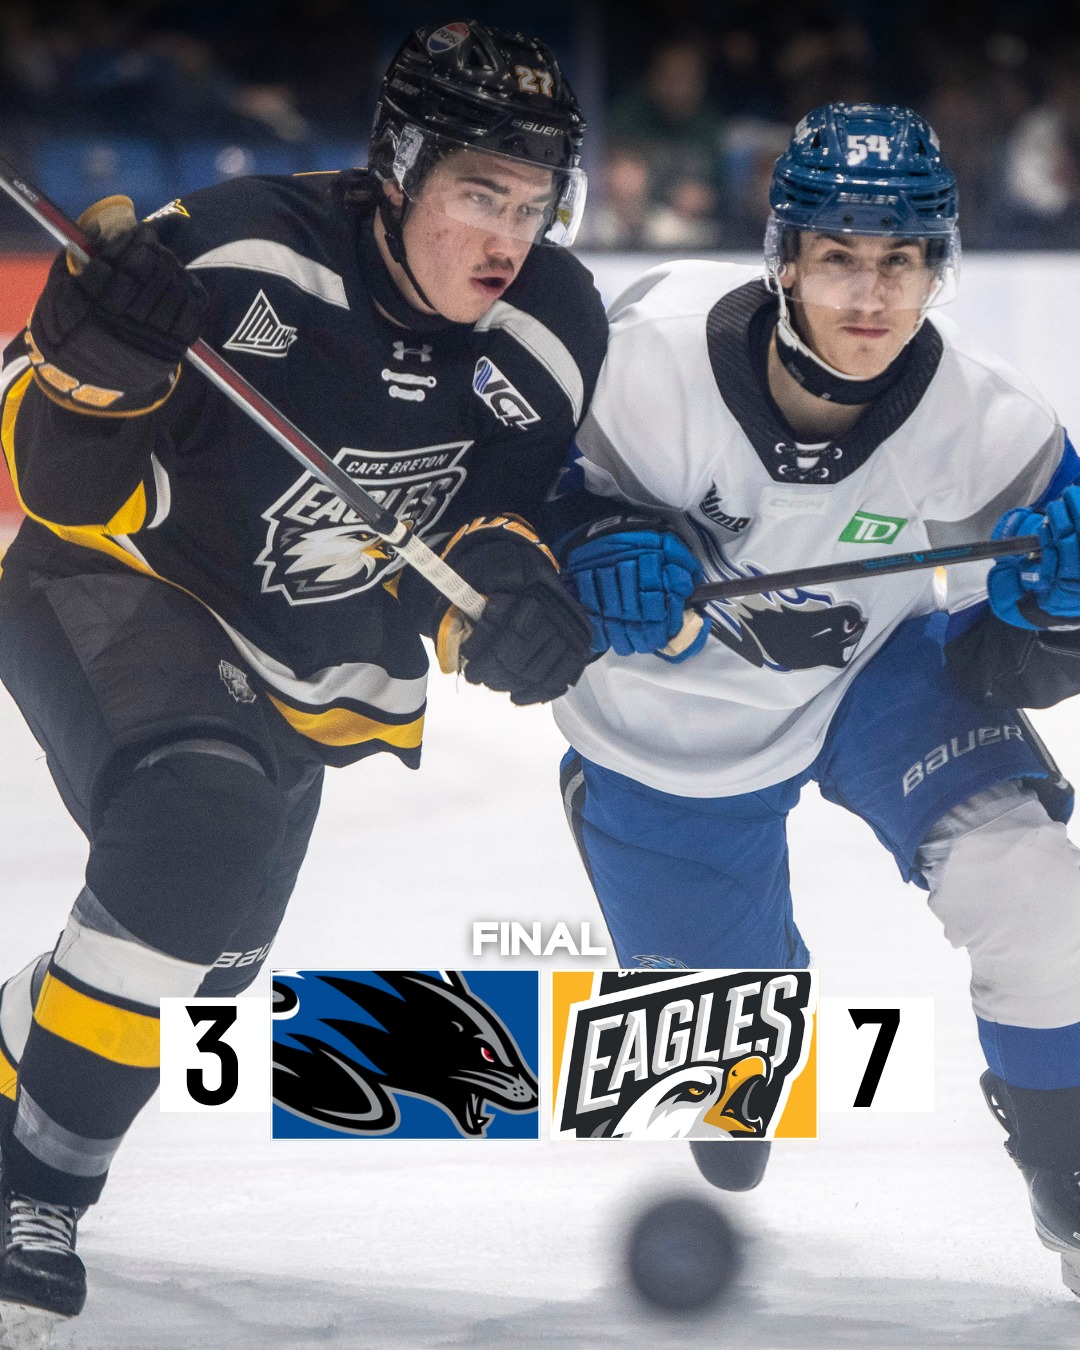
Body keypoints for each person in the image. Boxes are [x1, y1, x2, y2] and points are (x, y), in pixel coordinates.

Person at [0, 18, 606, 1335]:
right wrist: (99, 366)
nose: (508, 237)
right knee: (196, 826)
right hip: (115, 580)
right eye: (479, 196)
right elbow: (58, 486)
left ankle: (16, 1058)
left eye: (532, 203)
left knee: (195, 968)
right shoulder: (237, 250)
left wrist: (506, 607)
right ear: (398, 168)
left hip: (299, 657)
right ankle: (33, 1193)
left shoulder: (551, 325)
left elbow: (478, 526)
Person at [554, 102, 1080, 1293]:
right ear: (784, 258)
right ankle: (698, 946)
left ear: (938, 268)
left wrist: (1060, 616)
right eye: (839, 255)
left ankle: (1073, 1180)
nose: (870, 294)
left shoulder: (994, 424)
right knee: (731, 1108)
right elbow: (502, 514)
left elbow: (1022, 655)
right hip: (667, 727)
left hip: (875, 672)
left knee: (1035, 890)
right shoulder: (645, 358)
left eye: (902, 260)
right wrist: (580, 544)